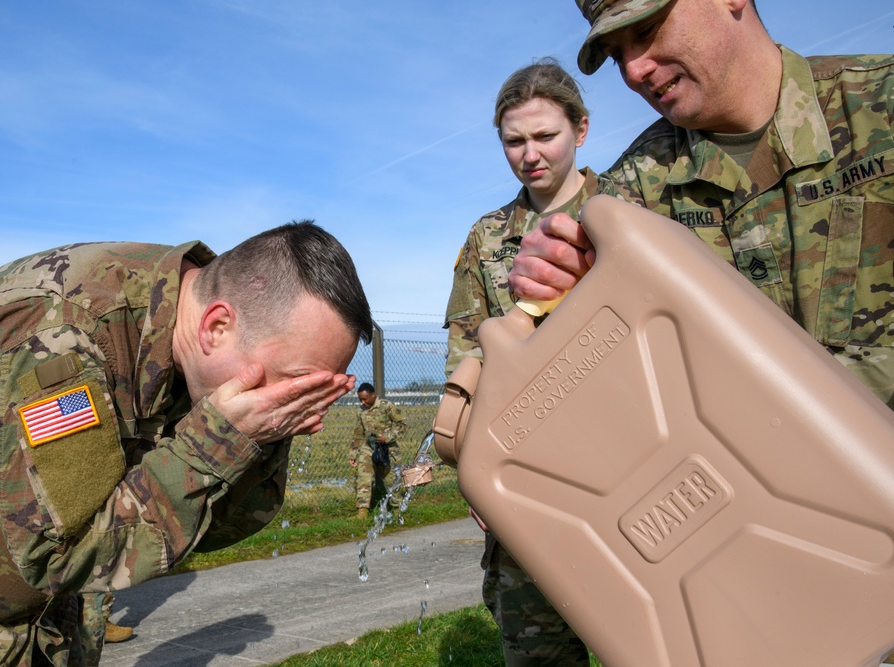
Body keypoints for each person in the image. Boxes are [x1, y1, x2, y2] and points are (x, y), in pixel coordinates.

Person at [0, 220, 372, 665]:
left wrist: (260, 439)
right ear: (217, 327)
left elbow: (204, 531)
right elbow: (64, 552)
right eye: (296, 383)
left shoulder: (192, 352)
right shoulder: (61, 338)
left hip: (38, 630)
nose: (302, 404)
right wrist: (217, 447)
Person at [510, 0, 893, 405]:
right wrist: (552, 282)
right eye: (617, 55)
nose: (634, 71)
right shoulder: (630, 192)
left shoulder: (879, 107)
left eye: (646, 29)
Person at [443, 58, 596, 666]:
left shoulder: (632, 210)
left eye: (545, 136)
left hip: (633, 446)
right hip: (529, 470)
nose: (529, 154)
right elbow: (467, 357)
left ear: (580, 130)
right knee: (537, 645)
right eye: (513, 140)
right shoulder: (486, 239)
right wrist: (477, 471)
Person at [348, 382, 407, 519]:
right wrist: (353, 454)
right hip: (369, 449)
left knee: (391, 480)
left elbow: (402, 424)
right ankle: (362, 512)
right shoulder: (361, 410)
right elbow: (358, 433)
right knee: (364, 477)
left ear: (373, 395)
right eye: (360, 399)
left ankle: (397, 510)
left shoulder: (386, 406)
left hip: (388, 450)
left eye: (365, 399)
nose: (363, 402)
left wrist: (388, 437)